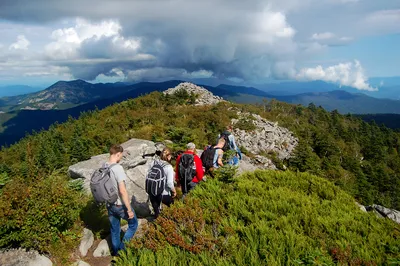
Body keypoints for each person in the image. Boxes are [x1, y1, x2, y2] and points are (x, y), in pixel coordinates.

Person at [105, 144, 138, 256]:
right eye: (121, 156)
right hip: (119, 205)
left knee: (114, 230)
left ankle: (115, 254)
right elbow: (122, 191)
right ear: (118, 154)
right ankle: (122, 251)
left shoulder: (104, 166)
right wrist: (128, 209)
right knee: (133, 224)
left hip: (109, 204)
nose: (121, 158)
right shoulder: (117, 168)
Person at [147, 148, 177, 218]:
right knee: (173, 207)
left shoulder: (153, 162)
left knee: (156, 214)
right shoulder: (168, 167)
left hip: (152, 192)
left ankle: (156, 223)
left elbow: (148, 174)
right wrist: (174, 191)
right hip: (163, 193)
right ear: (169, 156)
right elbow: (169, 183)